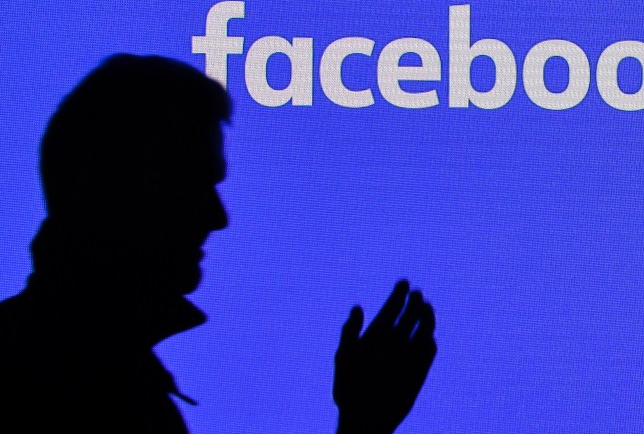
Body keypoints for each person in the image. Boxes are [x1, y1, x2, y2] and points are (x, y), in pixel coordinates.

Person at [0, 54, 437, 433]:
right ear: (113, 185)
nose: (218, 217)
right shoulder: (74, 386)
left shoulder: (87, 371)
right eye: (190, 183)